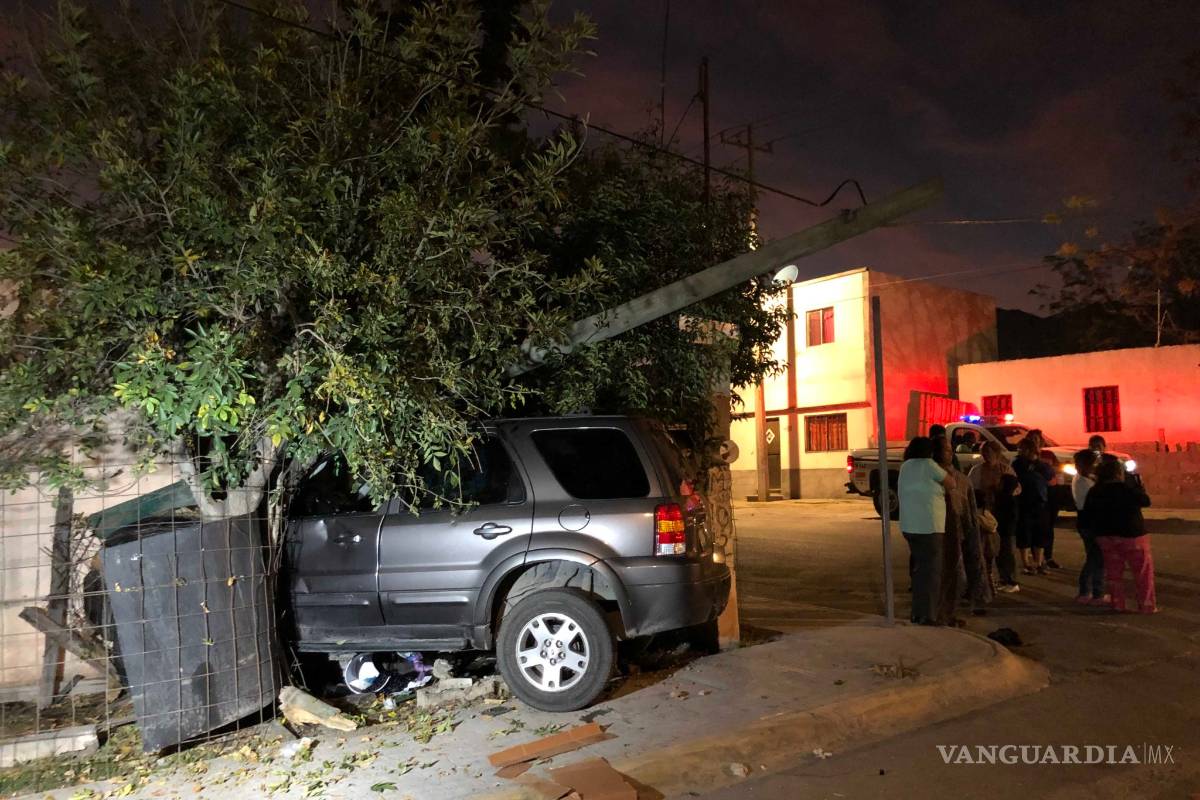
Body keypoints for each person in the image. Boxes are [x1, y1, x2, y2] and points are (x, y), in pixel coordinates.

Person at [1082, 458, 1156, 613]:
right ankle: (1147, 605)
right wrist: (1139, 486)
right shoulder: (1126, 488)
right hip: (1132, 535)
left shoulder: (1095, 491)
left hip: (1106, 536)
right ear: (1118, 473)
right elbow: (1145, 501)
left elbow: (1087, 513)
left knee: (1114, 573)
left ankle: (1117, 603)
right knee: (1142, 573)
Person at [933, 436, 991, 623]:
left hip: (964, 526)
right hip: (943, 530)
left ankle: (978, 599)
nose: (949, 453)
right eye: (945, 449)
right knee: (949, 572)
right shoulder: (933, 478)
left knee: (974, 561)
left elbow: (969, 509)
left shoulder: (962, 479)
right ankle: (946, 610)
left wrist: (972, 527)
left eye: (950, 449)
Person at [898, 436, 954, 625]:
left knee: (920, 572)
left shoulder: (905, 466)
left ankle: (917, 612)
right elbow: (951, 483)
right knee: (931, 573)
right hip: (929, 527)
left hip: (909, 527)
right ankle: (928, 615)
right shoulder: (929, 465)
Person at [969, 441, 1021, 593]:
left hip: (1004, 513)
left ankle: (1009, 579)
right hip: (987, 513)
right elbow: (971, 488)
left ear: (997, 454)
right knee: (990, 548)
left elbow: (1017, 488)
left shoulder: (1005, 469)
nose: (986, 456)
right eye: (984, 453)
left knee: (1007, 547)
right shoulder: (977, 470)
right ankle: (991, 579)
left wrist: (1003, 493)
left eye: (989, 452)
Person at [1071, 448, 1107, 604]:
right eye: (1094, 463)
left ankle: (1091, 591)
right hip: (1090, 522)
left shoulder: (1083, 478)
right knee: (1095, 559)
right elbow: (1092, 503)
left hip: (1087, 521)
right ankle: (1089, 592)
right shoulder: (1083, 482)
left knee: (1095, 558)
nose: (1096, 467)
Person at [1013, 437, 1054, 574]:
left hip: (1040, 502)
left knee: (1040, 533)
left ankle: (1039, 562)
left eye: (1023, 449)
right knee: (1024, 533)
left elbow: (1049, 475)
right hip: (1024, 502)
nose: (1020, 451)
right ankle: (1026, 563)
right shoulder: (1017, 463)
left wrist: (1036, 463)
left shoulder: (1040, 464)